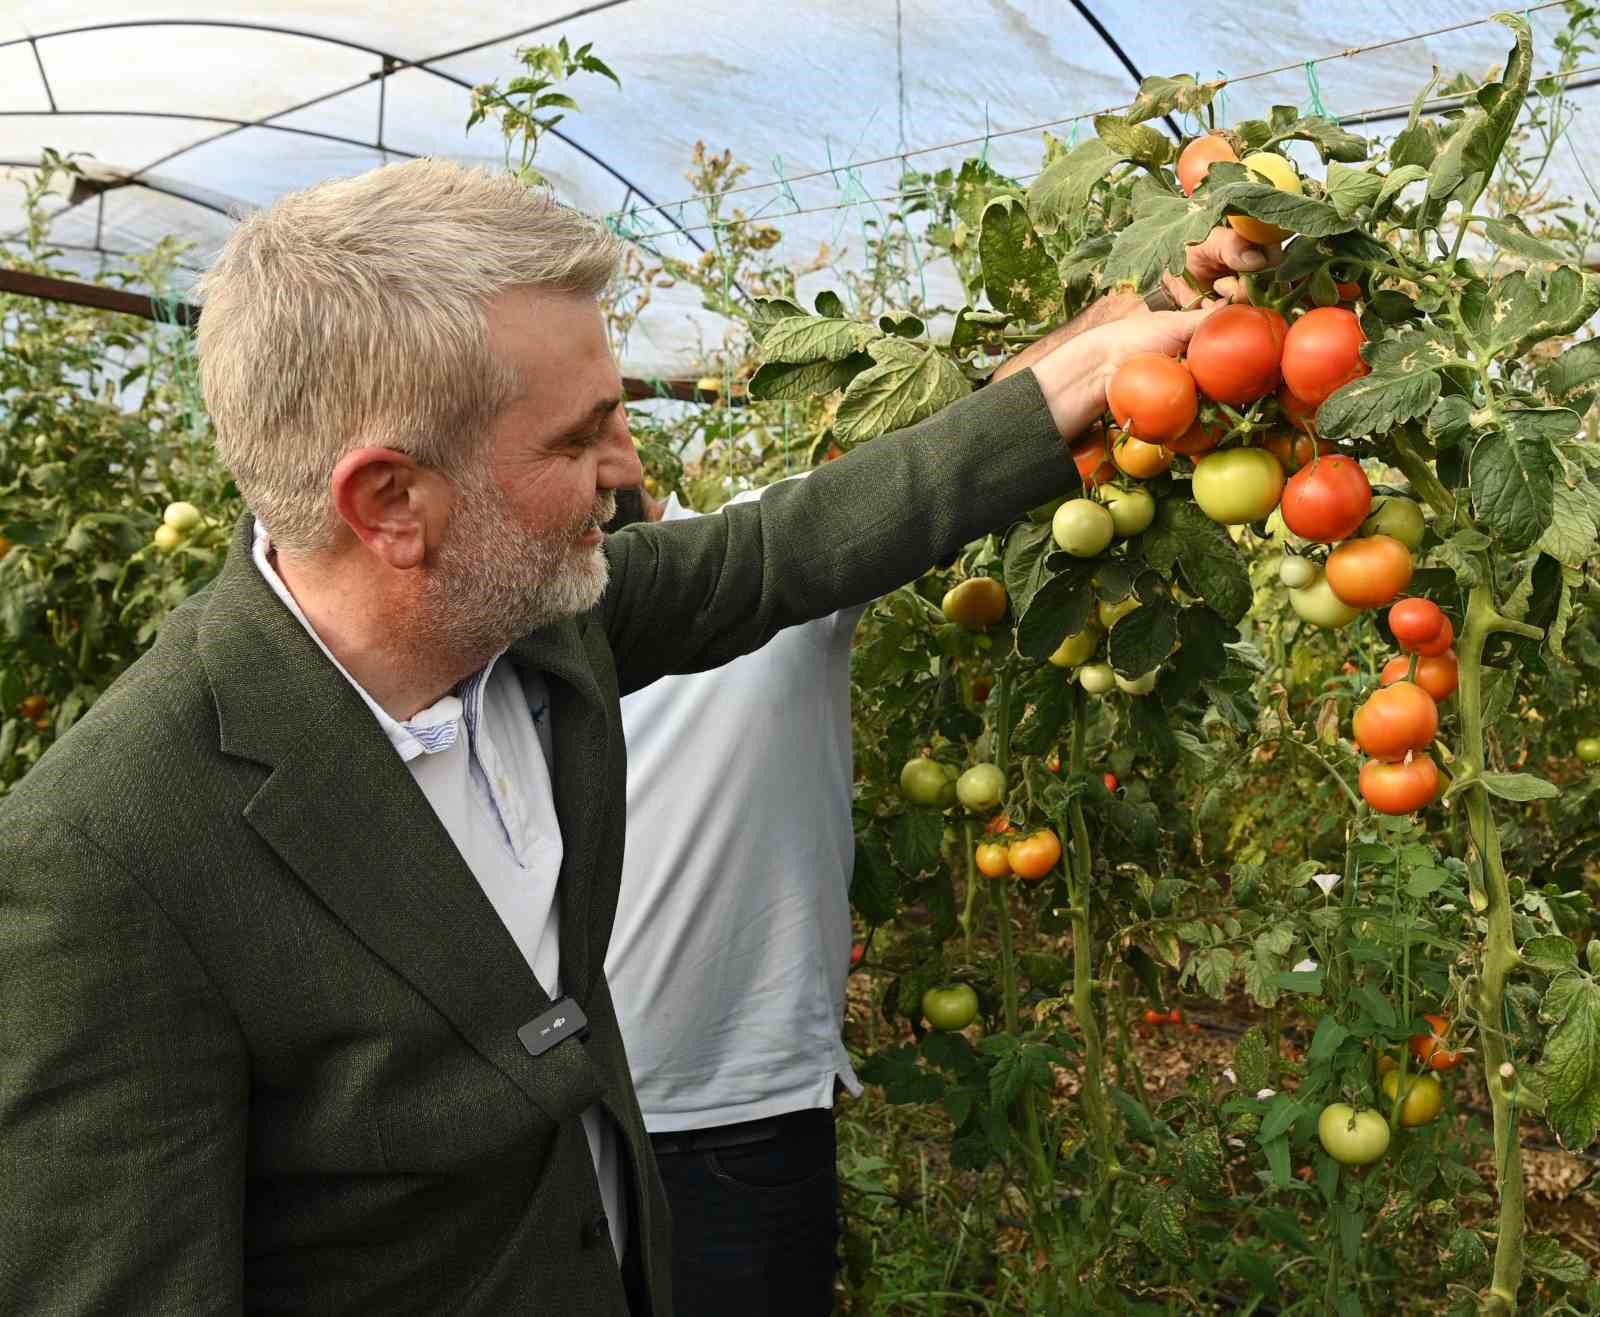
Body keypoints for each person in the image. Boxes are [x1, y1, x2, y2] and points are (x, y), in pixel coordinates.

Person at [0, 156, 1262, 1317]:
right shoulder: (107, 862)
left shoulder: (533, 627)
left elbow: (791, 546)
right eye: (578, 434)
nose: (627, 463)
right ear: (390, 501)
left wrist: (1096, 366)